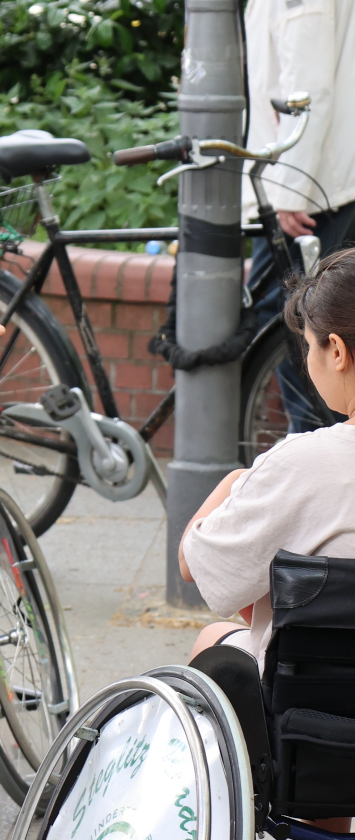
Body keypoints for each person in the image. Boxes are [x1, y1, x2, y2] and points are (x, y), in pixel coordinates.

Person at [180, 248, 355, 679]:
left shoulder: (303, 464)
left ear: (336, 350)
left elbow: (195, 564)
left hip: (319, 720)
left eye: (308, 346)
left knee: (213, 639)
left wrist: (236, 480)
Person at [230, 0, 355, 426]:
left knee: (299, 344)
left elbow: (304, 85)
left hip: (314, 187)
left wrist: (287, 192)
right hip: (335, 177)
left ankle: (318, 493)